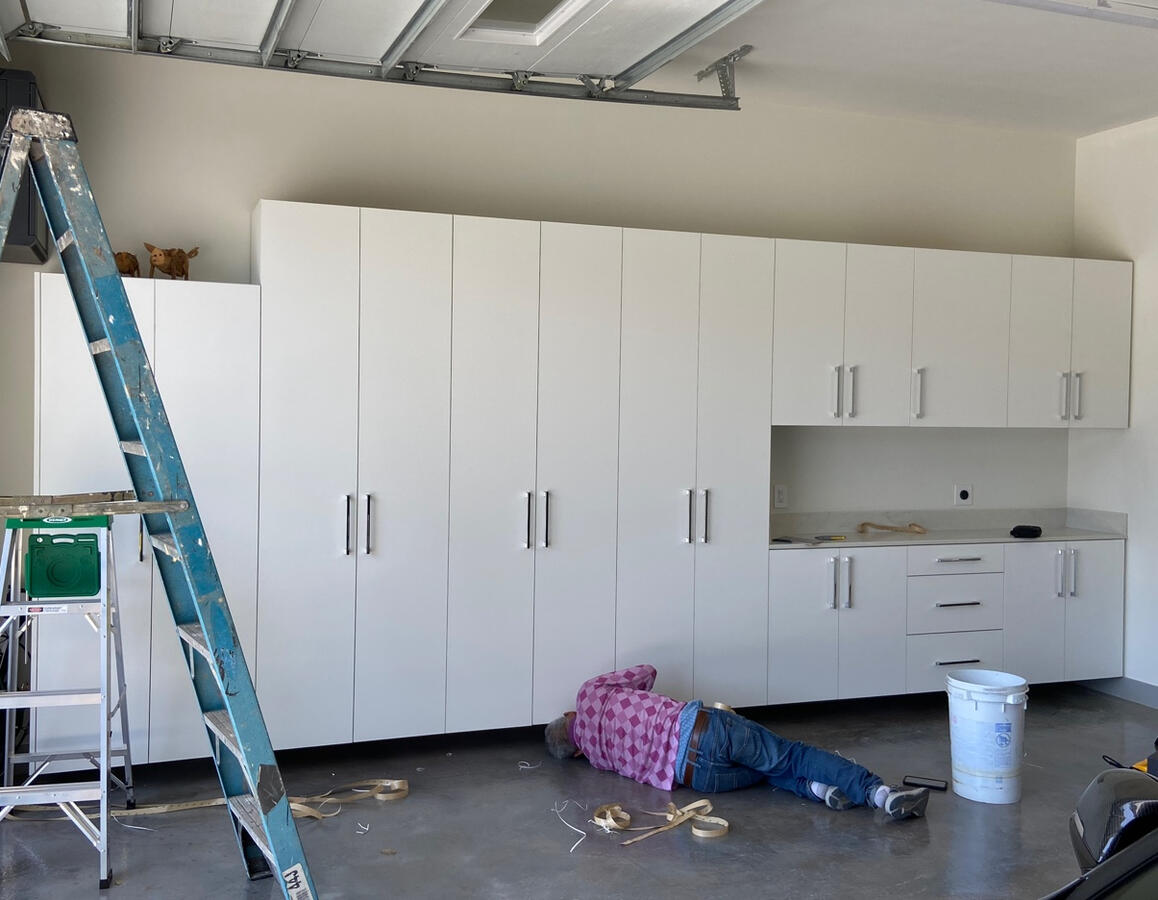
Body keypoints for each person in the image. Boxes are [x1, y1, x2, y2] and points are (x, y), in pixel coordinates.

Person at [544, 664, 929, 820]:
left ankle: (817, 789)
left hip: (700, 779)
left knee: (764, 770)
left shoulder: (596, 759)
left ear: (575, 751)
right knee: (791, 755)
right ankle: (879, 793)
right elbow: (647, 672)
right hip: (705, 730)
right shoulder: (590, 693)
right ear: (569, 715)